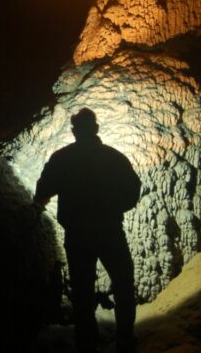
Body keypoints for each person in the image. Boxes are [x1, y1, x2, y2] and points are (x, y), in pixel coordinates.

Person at [34, 108, 141, 353]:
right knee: (123, 284)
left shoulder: (62, 158)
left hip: (78, 234)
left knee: (82, 292)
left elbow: (42, 191)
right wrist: (115, 208)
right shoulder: (113, 157)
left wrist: (37, 208)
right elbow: (133, 190)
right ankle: (125, 340)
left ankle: (87, 343)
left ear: (74, 131)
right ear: (96, 129)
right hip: (110, 231)